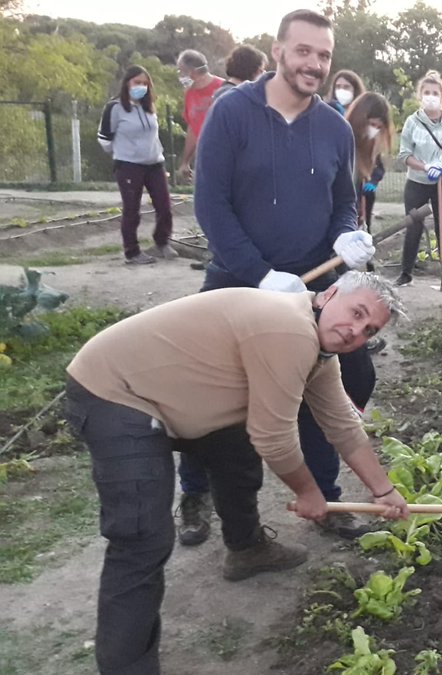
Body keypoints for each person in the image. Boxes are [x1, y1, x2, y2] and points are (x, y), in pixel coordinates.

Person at [65, 271, 411, 675]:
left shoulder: (320, 351)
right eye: (356, 313)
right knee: (141, 538)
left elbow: (342, 425)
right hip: (116, 392)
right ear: (330, 293)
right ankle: (126, 668)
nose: (355, 331)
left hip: (174, 392)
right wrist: (309, 494)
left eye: (368, 329)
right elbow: (275, 437)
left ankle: (246, 550)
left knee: (235, 453)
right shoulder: (290, 330)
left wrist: (384, 491)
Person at [187, 8, 378, 543]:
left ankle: (326, 498)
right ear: (278, 51)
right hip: (238, 281)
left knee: (335, 384)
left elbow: (344, 204)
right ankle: (196, 494)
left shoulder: (334, 130)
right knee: (216, 399)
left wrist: (346, 235)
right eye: (303, 52)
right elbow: (212, 208)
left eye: (323, 55)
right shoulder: (232, 113)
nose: (313, 65)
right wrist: (259, 273)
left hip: (313, 285)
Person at [97, 65, 176, 266]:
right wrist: (122, 152)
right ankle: (132, 251)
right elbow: (104, 137)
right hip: (129, 165)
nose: (141, 87)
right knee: (132, 210)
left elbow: (153, 134)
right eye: (137, 83)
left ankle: (162, 241)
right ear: (127, 83)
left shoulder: (148, 106)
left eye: (145, 84)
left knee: (164, 206)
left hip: (155, 163)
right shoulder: (115, 108)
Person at [396, 69, 442, 287]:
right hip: (417, 182)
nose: (431, 96)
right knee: (413, 226)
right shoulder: (412, 122)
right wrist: (426, 167)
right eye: (427, 92)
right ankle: (406, 273)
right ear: (420, 95)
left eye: (435, 92)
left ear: (441, 95)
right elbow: (404, 154)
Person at [345, 92, 394, 233]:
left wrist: (372, 181)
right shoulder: (344, 142)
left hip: (358, 210)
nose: (374, 130)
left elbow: (378, 167)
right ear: (360, 119)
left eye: (379, 127)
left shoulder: (370, 146)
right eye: (372, 124)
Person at [176, 49, 225, 182]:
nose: (179, 75)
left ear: (192, 72)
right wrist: (185, 162)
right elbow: (193, 128)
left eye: (181, 70)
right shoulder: (189, 93)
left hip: (227, 157)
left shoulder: (223, 88)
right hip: (205, 157)